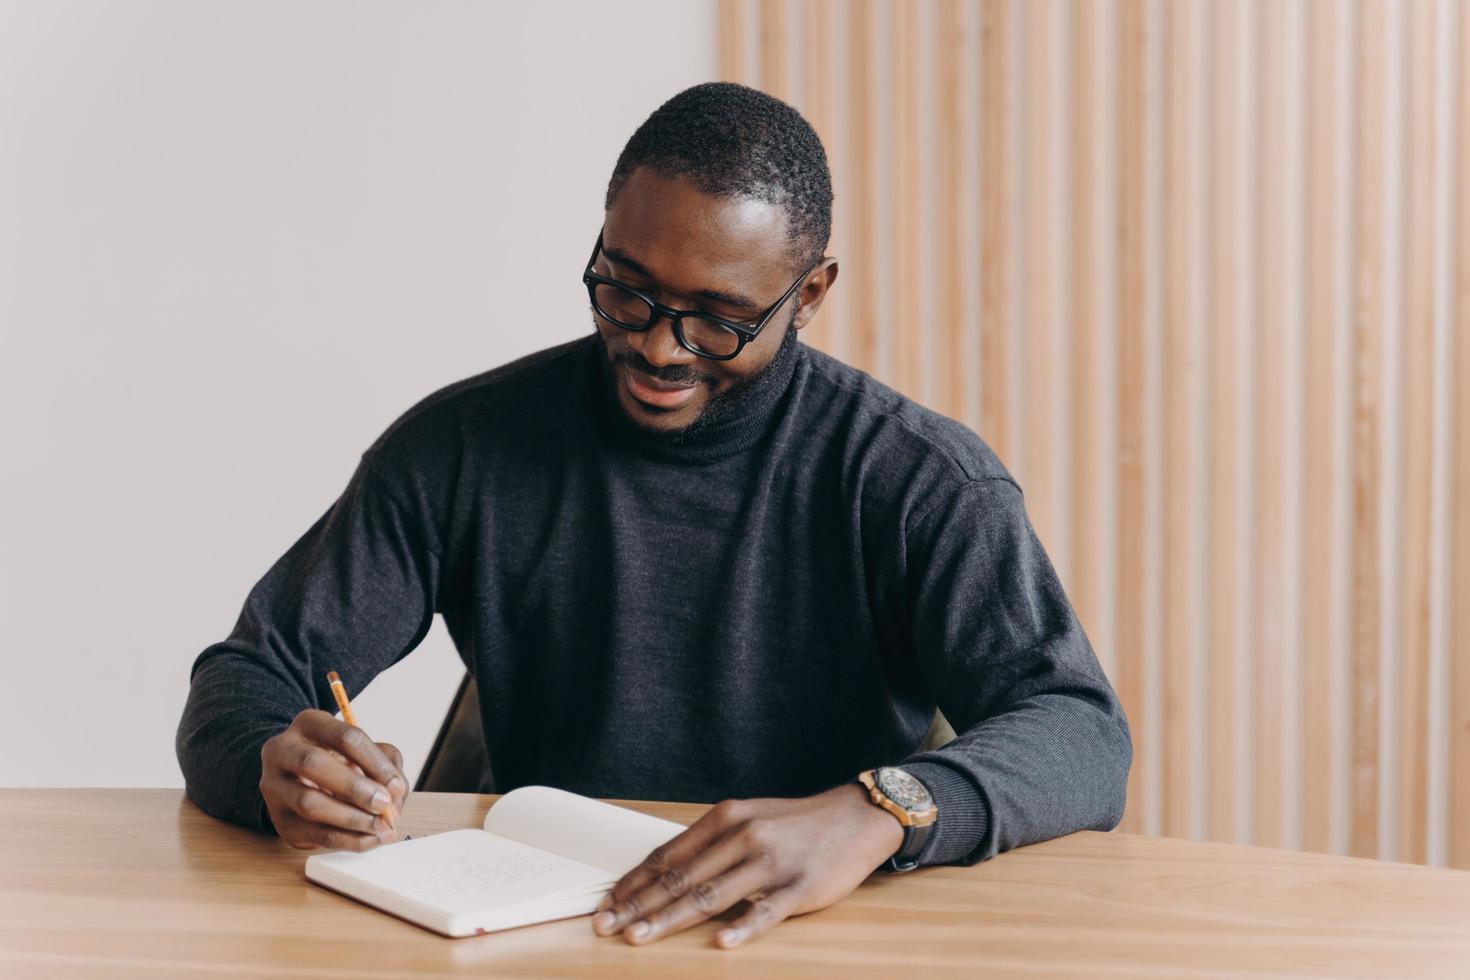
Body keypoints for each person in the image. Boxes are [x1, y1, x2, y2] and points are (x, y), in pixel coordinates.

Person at [176, 82, 1132, 950]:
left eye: (718, 319)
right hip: (546, 931)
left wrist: (879, 810)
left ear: (809, 296)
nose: (659, 349)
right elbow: (247, 675)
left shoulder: (917, 479)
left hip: (816, 936)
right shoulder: (466, 446)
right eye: (624, 291)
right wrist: (276, 762)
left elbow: (1081, 732)